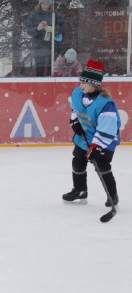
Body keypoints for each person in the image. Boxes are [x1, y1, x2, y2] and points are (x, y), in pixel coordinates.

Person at [62, 60, 120, 206]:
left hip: (105, 139)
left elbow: (107, 128)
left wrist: (97, 146)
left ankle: (112, 196)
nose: (80, 85)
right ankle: (80, 190)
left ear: (93, 84)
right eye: (80, 81)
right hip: (85, 135)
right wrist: (74, 120)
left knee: (102, 165)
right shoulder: (78, 93)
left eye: (83, 83)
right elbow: (75, 107)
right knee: (78, 160)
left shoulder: (105, 103)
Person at [26, 0, 63, 76]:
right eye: (43, 3)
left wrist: (53, 29)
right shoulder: (34, 15)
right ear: (40, 4)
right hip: (38, 47)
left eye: (47, 4)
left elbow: (61, 27)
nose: (45, 6)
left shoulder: (55, 15)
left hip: (51, 47)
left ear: (50, 4)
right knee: (39, 70)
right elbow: (29, 30)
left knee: (51, 69)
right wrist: (37, 29)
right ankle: (40, 83)